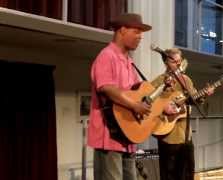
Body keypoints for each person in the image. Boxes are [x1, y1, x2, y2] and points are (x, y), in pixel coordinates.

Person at [87, 13, 152, 180]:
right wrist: (134, 106)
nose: (140, 37)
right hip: (109, 134)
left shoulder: (129, 62)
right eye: (136, 32)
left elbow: (137, 93)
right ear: (122, 30)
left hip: (127, 136)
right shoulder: (107, 56)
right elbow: (106, 88)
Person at [151, 48, 214, 180]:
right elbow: (148, 103)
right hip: (167, 135)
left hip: (186, 135)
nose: (179, 64)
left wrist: (204, 95)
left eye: (180, 61)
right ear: (166, 62)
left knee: (187, 174)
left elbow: (194, 99)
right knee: (169, 175)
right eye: (175, 62)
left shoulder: (187, 80)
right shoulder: (159, 81)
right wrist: (164, 107)